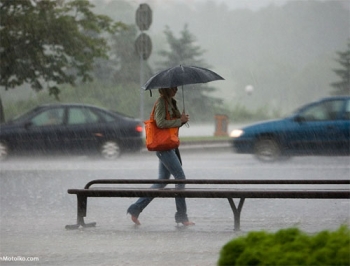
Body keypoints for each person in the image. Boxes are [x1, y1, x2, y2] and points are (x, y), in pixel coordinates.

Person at [127, 87, 195, 226]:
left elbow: (172, 124)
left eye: (176, 87)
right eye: (173, 87)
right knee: (180, 179)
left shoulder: (172, 102)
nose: (176, 89)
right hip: (164, 147)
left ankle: (136, 208)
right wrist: (178, 121)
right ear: (166, 88)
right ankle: (182, 216)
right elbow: (160, 123)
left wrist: (182, 120)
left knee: (162, 181)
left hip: (171, 145)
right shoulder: (161, 102)